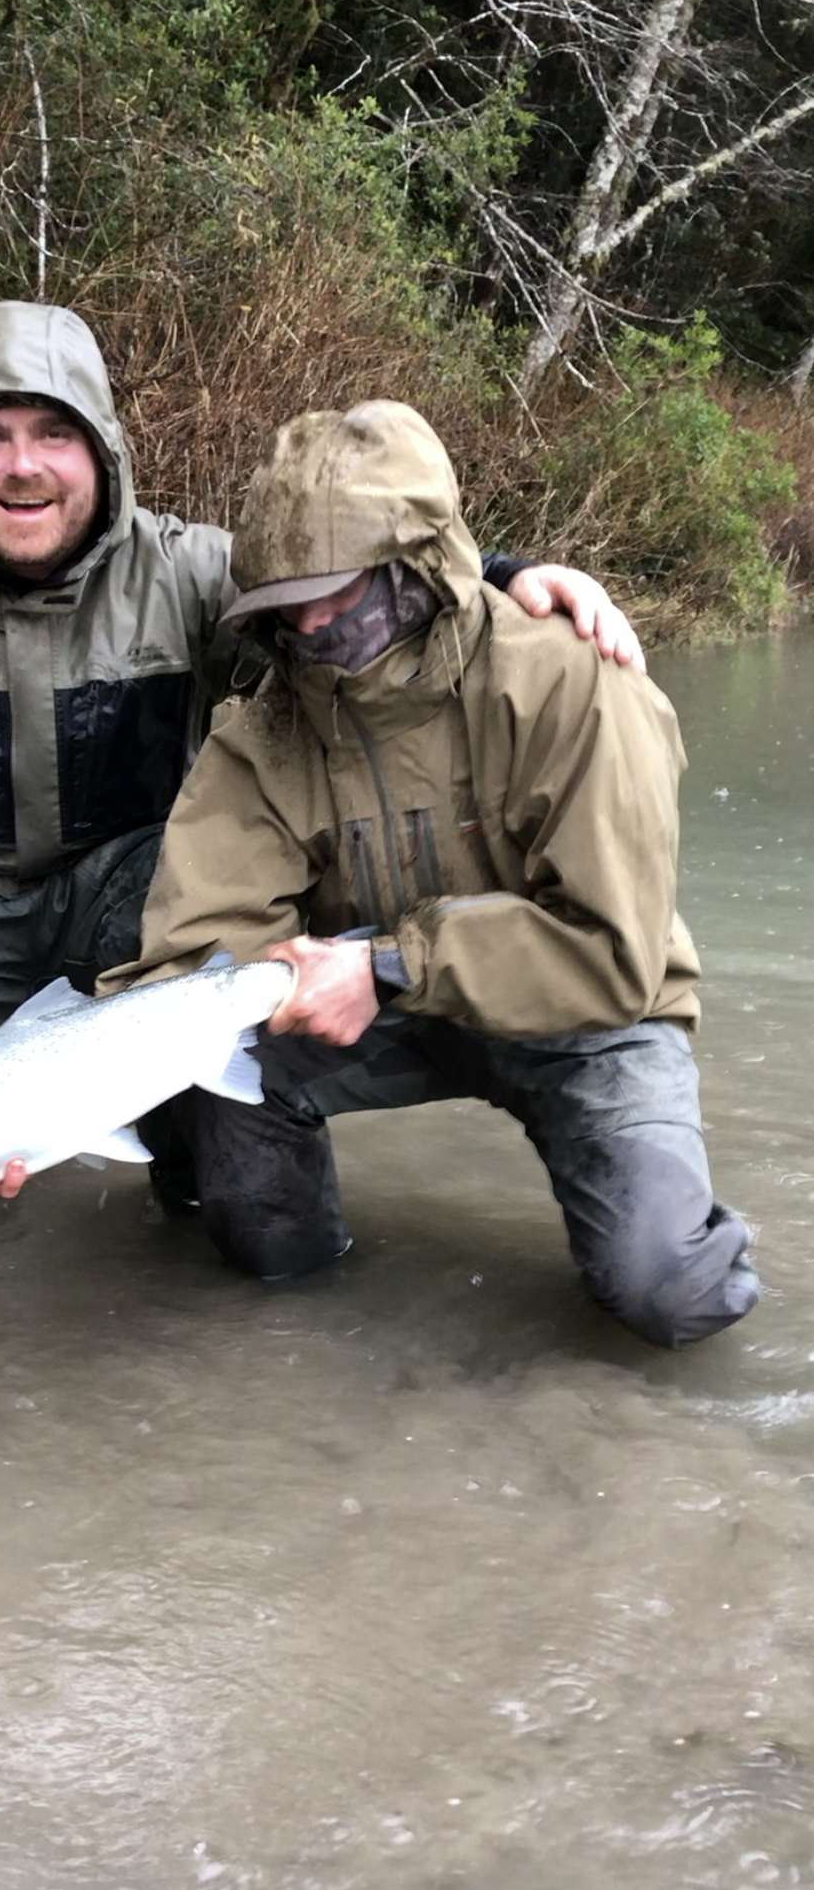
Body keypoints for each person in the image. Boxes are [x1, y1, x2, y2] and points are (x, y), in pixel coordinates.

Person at [0, 304, 644, 1209]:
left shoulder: (195, 574)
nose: (24, 467)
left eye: (55, 434)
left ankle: (200, 1167)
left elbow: (341, 589)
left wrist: (509, 572)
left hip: (142, 884)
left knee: (229, 974)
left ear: (103, 453)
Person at [98, 400, 760, 1348]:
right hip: (370, 1013)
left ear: (422, 566)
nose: (315, 622)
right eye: (289, 601)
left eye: (344, 590)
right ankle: (303, 1340)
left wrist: (384, 966)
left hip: (589, 1015)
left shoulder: (577, 684)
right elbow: (195, 963)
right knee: (242, 1210)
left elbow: (614, 959)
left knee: (670, 1293)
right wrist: (33, 1121)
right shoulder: (260, 734)